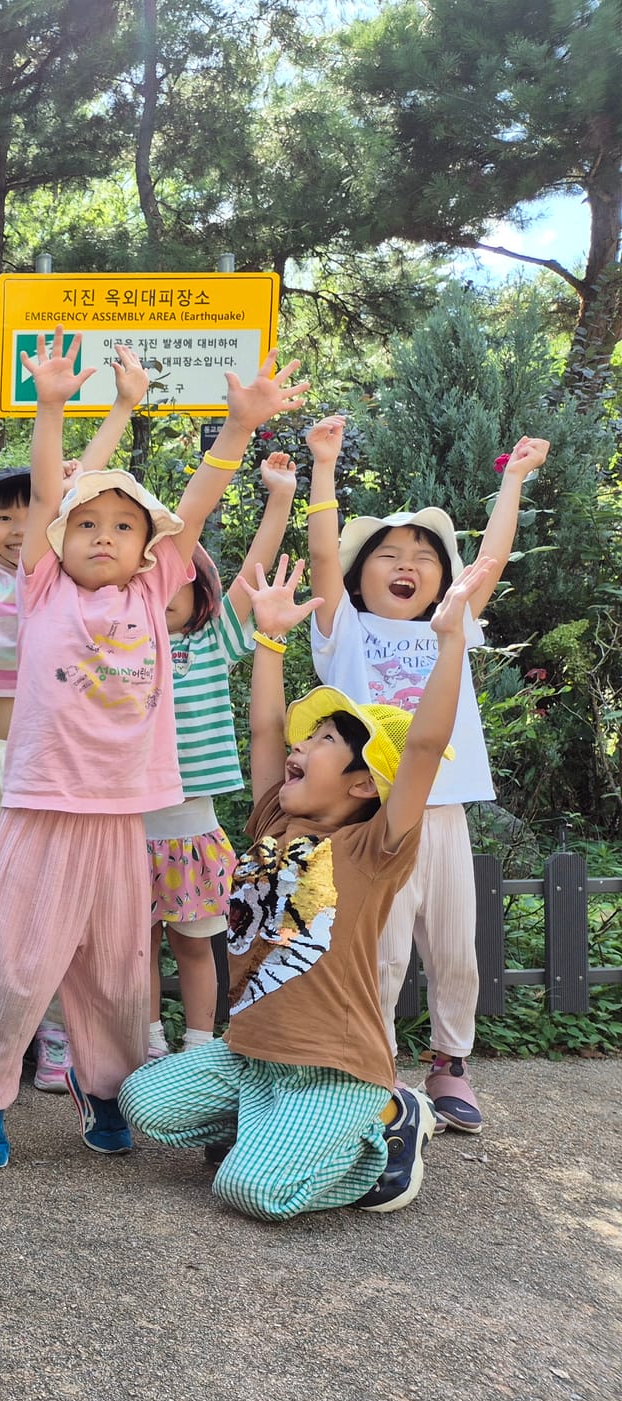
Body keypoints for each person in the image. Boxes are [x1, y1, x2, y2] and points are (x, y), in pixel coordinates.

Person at [0, 329, 307, 1171]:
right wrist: (50, 407)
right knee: (15, 962)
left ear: (150, 547)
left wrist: (239, 427)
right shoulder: (42, 588)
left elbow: (201, 501)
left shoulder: (153, 591)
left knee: (117, 969)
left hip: (124, 815)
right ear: (58, 540)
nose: (103, 535)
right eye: (86, 524)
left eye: (122, 525)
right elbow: (47, 490)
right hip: (42, 805)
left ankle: (105, 1088)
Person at [119, 553, 493, 1220]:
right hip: (250, 1056)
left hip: (334, 1067)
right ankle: (270, 1129)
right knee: (141, 1101)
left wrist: (449, 641)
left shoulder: (374, 849)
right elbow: (265, 728)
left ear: (363, 782)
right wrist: (269, 639)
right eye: (307, 737)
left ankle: (387, 1124)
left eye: (322, 742)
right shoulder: (276, 822)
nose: (298, 747)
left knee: (250, 1191)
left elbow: (424, 747)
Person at [0, 339, 146, 1093]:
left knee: (63, 906)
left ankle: (54, 1035)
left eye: (27, 515)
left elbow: (76, 489)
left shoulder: (56, 580)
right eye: (2, 517)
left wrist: (120, 409)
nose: (17, 528)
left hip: (53, 762)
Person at [306, 419, 550, 1134]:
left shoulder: (452, 625)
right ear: (359, 576)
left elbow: (492, 560)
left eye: (422, 556)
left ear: (444, 578)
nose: (406, 563)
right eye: (387, 554)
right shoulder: (343, 630)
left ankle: (450, 1064)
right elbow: (320, 553)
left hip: (443, 811)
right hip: (372, 813)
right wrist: (323, 466)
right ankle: (371, 1069)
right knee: (378, 953)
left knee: (454, 950)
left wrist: (513, 480)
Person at [143, 449, 298, 1060]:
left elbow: (254, 571)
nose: (163, 590)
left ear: (201, 587)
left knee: (195, 944)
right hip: (125, 823)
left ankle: (199, 1044)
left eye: (177, 579)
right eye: (149, 580)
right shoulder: (117, 642)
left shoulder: (212, 640)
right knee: (135, 947)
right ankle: (146, 1042)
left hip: (191, 824)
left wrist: (280, 496)